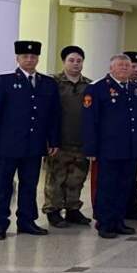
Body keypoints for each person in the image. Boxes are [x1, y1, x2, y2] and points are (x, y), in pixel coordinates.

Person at [0, 40, 61, 240]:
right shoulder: (3, 81)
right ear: (17, 58)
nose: (29, 60)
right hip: (7, 145)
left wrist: (54, 140)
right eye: (25, 56)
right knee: (3, 186)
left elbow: (53, 115)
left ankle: (26, 221)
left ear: (38, 59)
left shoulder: (48, 83)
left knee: (29, 185)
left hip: (34, 145)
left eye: (33, 56)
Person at [81, 54, 137, 239]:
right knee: (107, 187)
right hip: (108, 148)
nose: (124, 68)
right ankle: (105, 223)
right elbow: (90, 121)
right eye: (120, 65)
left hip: (131, 148)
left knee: (125, 187)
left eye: (127, 65)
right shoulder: (97, 88)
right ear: (111, 68)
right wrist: (90, 148)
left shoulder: (136, 88)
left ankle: (118, 221)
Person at [42, 45, 92, 228]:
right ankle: (53, 211)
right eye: (71, 60)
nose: (76, 64)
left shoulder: (89, 85)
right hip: (59, 141)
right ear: (63, 61)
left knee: (77, 178)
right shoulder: (52, 83)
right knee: (56, 178)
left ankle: (73, 209)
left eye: (79, 61)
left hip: (81, 140)